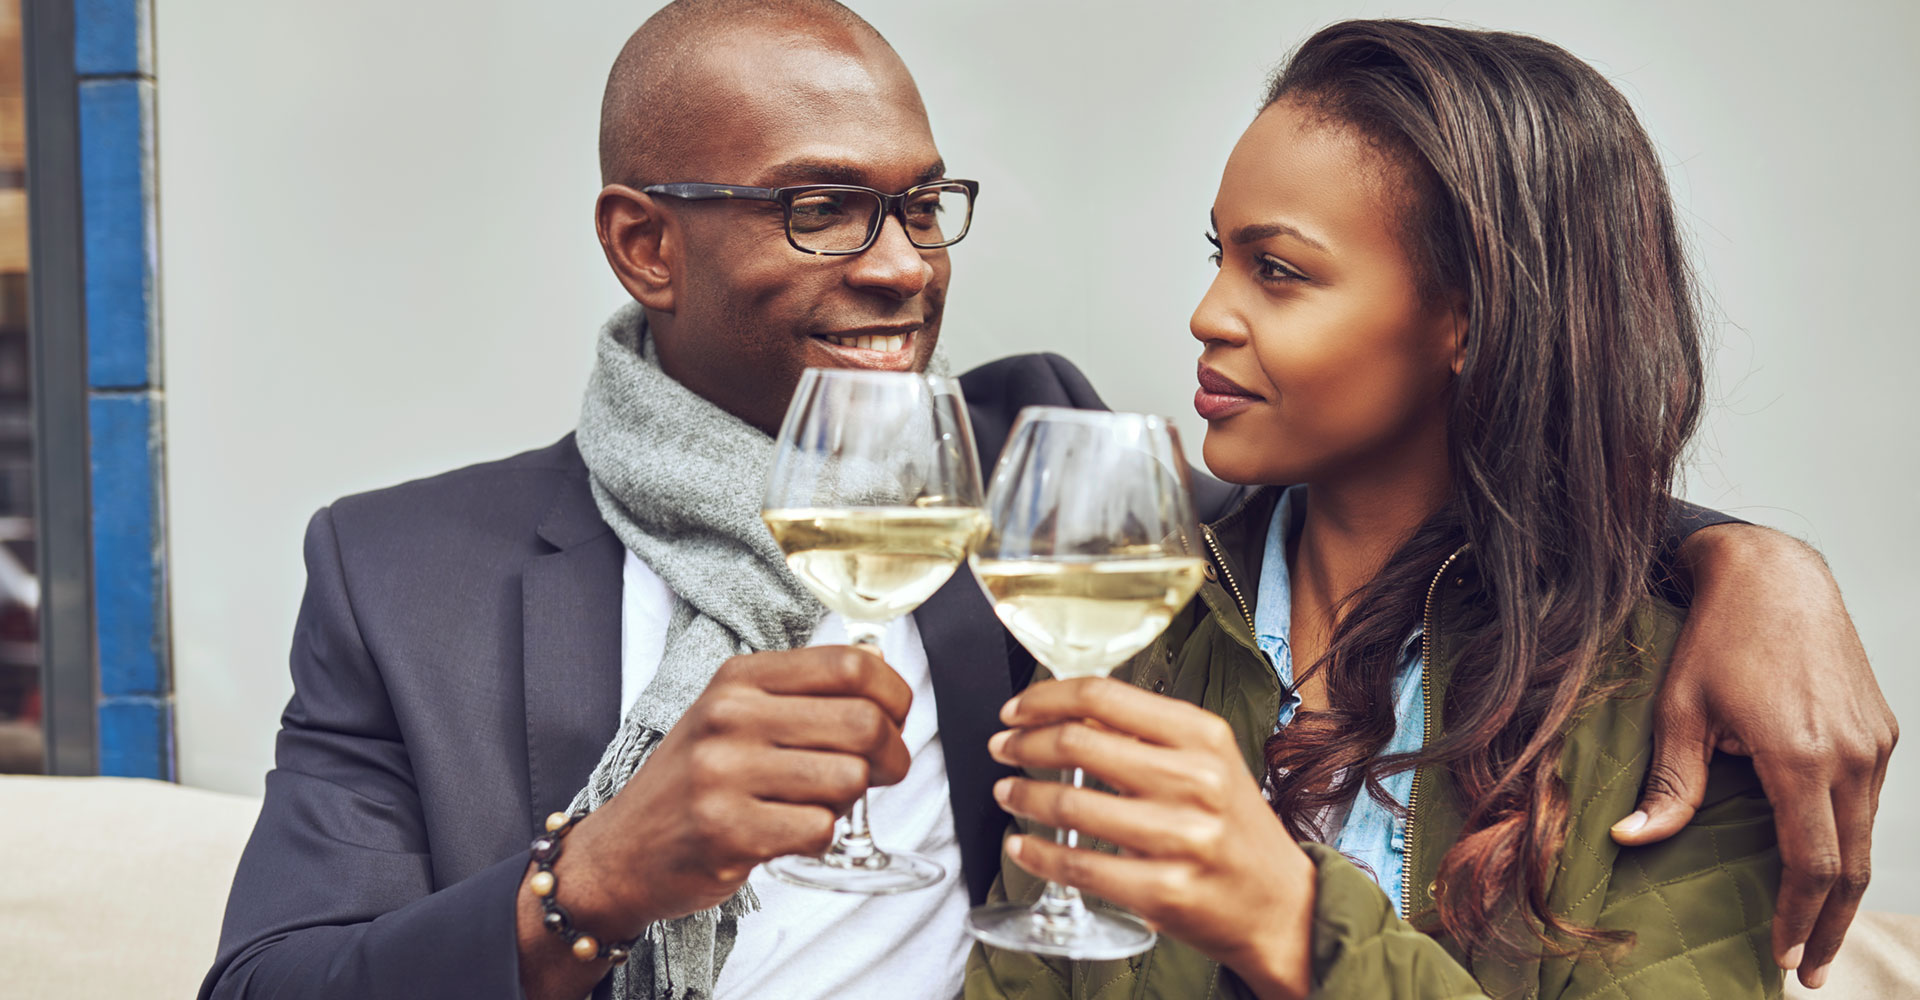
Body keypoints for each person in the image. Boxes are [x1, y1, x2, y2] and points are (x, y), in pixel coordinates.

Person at [200, 4, 1892, 1000]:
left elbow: (1520, 500)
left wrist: (1748, 559)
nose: (898, 267)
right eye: (818, 212)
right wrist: (590, 882)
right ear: (646, 242)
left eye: (923, 208)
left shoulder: (1059, 503)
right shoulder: (402, 571)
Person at [969, 19, 1894, 1000]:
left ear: (1471, 316)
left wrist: (1297, 925)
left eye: (1277, 269)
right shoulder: (1133, 608)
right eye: (1220, 254)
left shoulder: (1677, 703)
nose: (1209, 313)